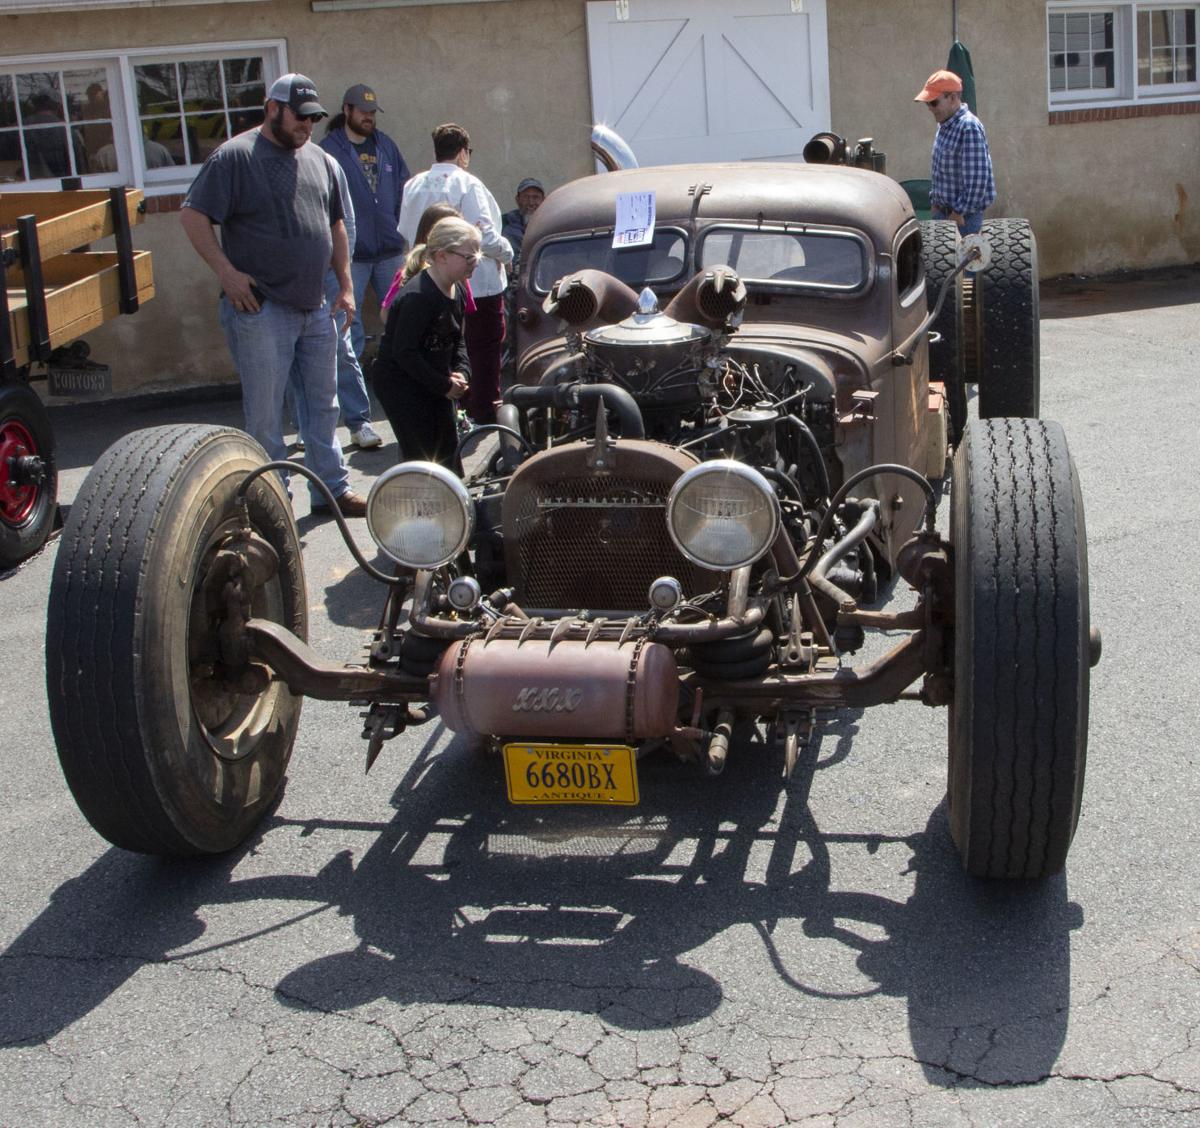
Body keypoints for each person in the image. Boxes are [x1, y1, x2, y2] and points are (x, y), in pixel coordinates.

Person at [180, 72, 368, 517]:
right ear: (272, 109)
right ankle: (273, 501)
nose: (307, 125)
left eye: (313, 118)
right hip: (261, 308)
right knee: (265, 417)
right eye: (300, 117)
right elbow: (192, 216)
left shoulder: (321, 161)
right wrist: (226, 273)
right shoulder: (234, 158)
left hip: (316, 303)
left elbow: (337, 225)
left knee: (324, 405)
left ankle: (331, 490)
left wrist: (344, 286)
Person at [398, 123, 512, 427]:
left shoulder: (413, 185)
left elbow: (406, 234)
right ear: (462, 152)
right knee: (482, 348)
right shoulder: (468, 184)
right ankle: (483, 412)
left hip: (427, 278)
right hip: (474, 283)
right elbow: (483, 236)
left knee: (438, 349)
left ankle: (451, 411)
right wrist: (509, 253)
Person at [319, 83, 410, 447]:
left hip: (390, 253)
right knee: (348, 338)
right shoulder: (329, 152)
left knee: (404, 327)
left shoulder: (386, 145)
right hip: (350, 257)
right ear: (347, 111)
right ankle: (359, 422)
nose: (368, 117)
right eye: (362, 111)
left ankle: (406, 408)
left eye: (372, 112)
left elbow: (404, 189)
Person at [372, 216, 478, 472]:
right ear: (441, 256)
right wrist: (443, 385)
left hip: (432, 377)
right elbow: (404, 353)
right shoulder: (419, 297)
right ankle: (424, 505)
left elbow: (458, 339)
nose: (475, 262)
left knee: (447, 448)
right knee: (422, 455)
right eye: (469, 256)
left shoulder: (459, 289)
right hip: (402, 384)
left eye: (477, 255)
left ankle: (452, 499)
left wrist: (462, 372)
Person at [914, 69, 995, 236]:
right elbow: (941, 173)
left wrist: (958, 212)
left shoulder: (969, 127)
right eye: (927, 103)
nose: (930, 108)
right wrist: (935, 203)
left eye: (934, 102)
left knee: (959, 262)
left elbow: (977, 180)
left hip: (963, 219)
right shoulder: (944, 125)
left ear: (952, 98)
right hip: (944, 215)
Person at [501, 176, 545, 275]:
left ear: (544, 200)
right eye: (526, 197)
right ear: (518, 200)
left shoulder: (551, 224)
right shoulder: (505, 223)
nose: (531, 202)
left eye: (535, 197)